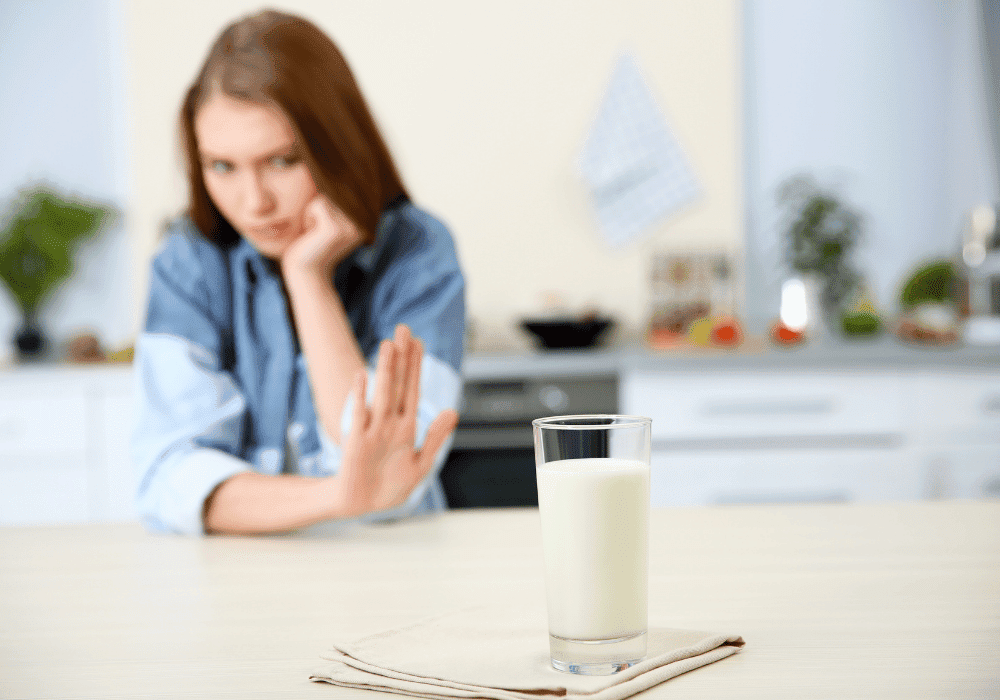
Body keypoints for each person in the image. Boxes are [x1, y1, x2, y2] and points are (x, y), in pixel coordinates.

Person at [132, 9, 465, 536]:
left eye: (282, 161)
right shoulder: (187, 262)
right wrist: (338, 497)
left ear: (338, 146)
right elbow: (169, 477)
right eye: (221, 166)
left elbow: (395, 485)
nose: (254, 202)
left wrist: (308, 278)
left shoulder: (418, 250)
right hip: (234, 584)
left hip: (389, 576)